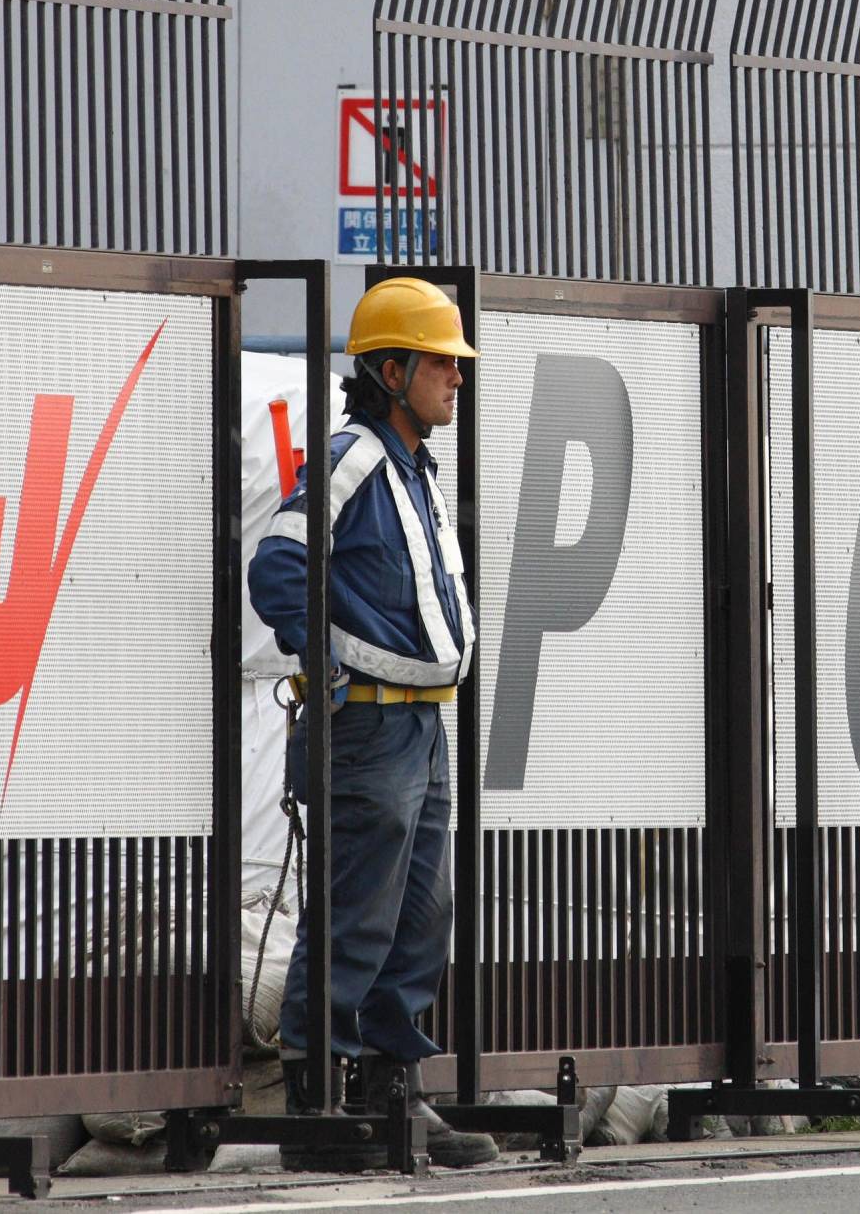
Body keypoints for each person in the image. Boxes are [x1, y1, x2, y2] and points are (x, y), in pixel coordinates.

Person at [248, 277, 497, 1172]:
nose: (455, 379)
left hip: (421, 728)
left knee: (423, 912)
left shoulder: (414, 468)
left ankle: (394, 1091)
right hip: (370, 729)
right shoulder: (354, 455)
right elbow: (278, 565)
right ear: (390, 370)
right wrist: (332, 662)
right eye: (439, 362)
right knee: (358, 912)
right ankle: (321, 1096)